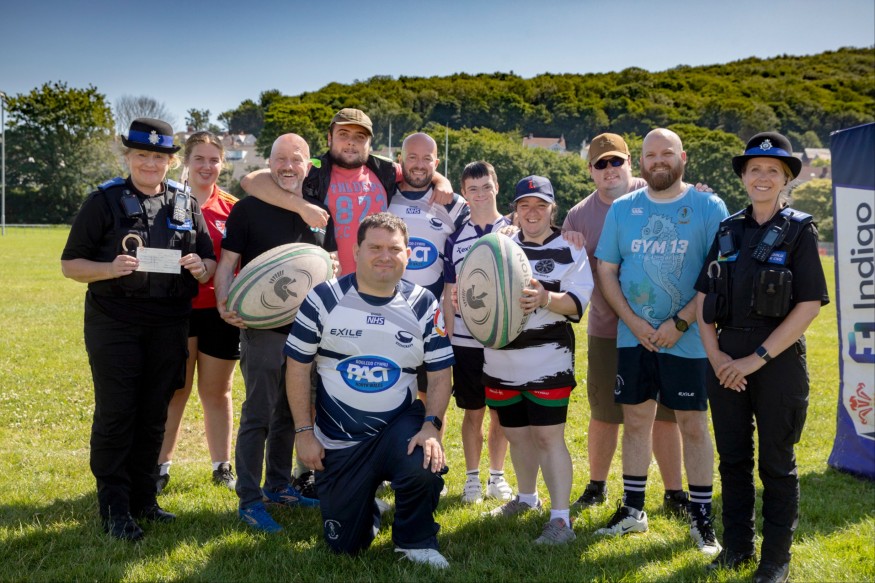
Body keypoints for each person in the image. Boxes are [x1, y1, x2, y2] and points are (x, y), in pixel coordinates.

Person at [61, 118, 216, 541]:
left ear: (171, 161)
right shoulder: (104, 201)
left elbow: (208, 262)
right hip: (116, 323)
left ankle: (144, 499)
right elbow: (70, 265)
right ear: (128, 156)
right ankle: (114, 506)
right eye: (142, 154)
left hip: (169, 323)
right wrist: (109, 268)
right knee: (117, 413)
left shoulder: (185, 202)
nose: (150, 163)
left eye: (159, 157)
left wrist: (201, 266)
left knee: (153, 413)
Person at [285, 212, 454, 569]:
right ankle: (368, 507)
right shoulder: (324, 298)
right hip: (340, 440)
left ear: (408, 254)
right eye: (375, 247)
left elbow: (440, 375)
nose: (385, 256)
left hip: (398, 427)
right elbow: (297, 368)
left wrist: (431, 427)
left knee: (423, 463)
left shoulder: (424, 303)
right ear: (356, 251)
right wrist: (304, 432)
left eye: (394, 249)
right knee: (345, 547)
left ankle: (415, 540)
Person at [695, 132, 828, 583]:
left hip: (776, 362)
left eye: (773, 170)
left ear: (786, 179)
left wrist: (754, 360)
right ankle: (736, 549)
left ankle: (774, 561)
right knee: (732, 460)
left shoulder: (800, 231)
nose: (763, 177)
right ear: (744, 177)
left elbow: (808, 305)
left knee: (776, 463)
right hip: (725, 361)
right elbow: (703, 298)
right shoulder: (727, 229)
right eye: (755, 169)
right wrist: (716, 357)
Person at [594, 128, 728, 556]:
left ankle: (702, 517)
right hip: (634, 338)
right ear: (642, 161)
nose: (658, 161)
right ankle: (633, 509)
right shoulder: (623, 208)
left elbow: (717, 273)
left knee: (693, 425)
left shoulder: (708, 206)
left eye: (666, 153)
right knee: (636, 421)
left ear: (682, 158)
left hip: (689, 339)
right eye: (650, 154)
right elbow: (606, 270)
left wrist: (681, 322)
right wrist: (633, 322)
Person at [214, 133, 334, 533]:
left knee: (290, 412)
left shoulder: (319, 212)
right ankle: (249, 500)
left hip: (307, 333)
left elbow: (327, 265)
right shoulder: (248, 209)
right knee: (259, 413)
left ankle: (279, 487)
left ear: (309, 165)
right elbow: (227, 263)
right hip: (262, 330)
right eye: (280, 159)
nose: (287, 166)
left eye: (296, 159)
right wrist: (223, 302)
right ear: (269, 163)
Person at [562, 133, 686, 514]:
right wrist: (568, 240)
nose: (609, 169)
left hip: (664, 327)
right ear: (590, 171)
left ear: (631, 162)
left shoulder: (659, 194)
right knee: (605, 413)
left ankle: (675, 492)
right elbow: (564, 271)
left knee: (666, 414)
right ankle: (596, 486)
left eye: (616, 161)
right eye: (601, 164)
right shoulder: (578, 215)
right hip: (607, 329)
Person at [482, 176, 594, 545]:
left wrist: (546, 298)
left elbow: (577, 303)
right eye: (525, 205)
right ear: (515, 210)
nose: (532, 212)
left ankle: (561, 520)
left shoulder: (570, 247)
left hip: (549, 361)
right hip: (500, 360)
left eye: (540, 205)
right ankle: (527, 498)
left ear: (552, 209)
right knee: (516, 435)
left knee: (548, 436)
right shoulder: (499, 244)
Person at [240, 108, 453, 276]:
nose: (351, 142)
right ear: (329, 138)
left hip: (376, 282)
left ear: (369, 143)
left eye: (360, 137)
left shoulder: (384, 170)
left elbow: (415, 169)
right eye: (343, 134)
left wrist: (441, 180)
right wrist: (302, 206)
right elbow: (250, 181)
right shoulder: (314, 169)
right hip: (327, 282)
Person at [157, 131, 239, 493]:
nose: (207, 166)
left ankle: (222, 466)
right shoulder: (166, 201)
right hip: (178, 310)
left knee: (217, 391)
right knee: (176, 389)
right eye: (200, 159)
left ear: (222, 164)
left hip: (221, 312)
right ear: (186, 162)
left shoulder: (233, 208)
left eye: (214, 160)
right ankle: (160, 466)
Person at [442, 161, 513, 503]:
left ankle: (496, 477)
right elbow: (449, 292)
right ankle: (471, 478)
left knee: (502, 412)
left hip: (504, 339)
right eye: (473, 189)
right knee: (473, 411)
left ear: (496, 186)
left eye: (486, 186)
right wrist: (449, 338)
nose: (481, 194)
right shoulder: (455, 238)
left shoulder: (513, 230)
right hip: (465, 341)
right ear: (464, 193)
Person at [387, 132, 468, 407]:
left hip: (433, 317)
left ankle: (431, 435)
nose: (419, 165)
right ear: (400, 159)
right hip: (387, 314)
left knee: (431, 396)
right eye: (412, 157)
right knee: (389, 392)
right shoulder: (383, 195)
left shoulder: (453, 204)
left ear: (437, 162)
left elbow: (480, 236)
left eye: (426, 158)